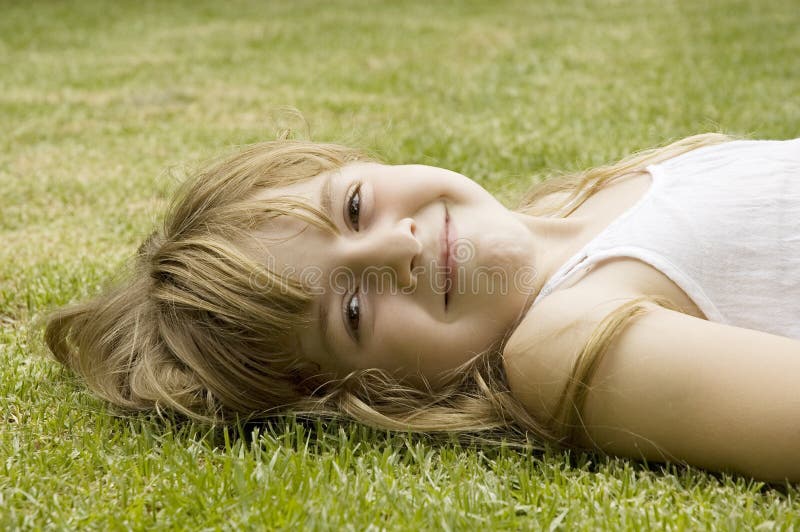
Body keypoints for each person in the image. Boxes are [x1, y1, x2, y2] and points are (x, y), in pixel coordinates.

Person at [42, 133, 800, 483]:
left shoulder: (592, 198)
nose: (392, 250)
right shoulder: (561, 342)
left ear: (354, 163)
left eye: (355, 206)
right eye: (352, 314)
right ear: (361, 390)